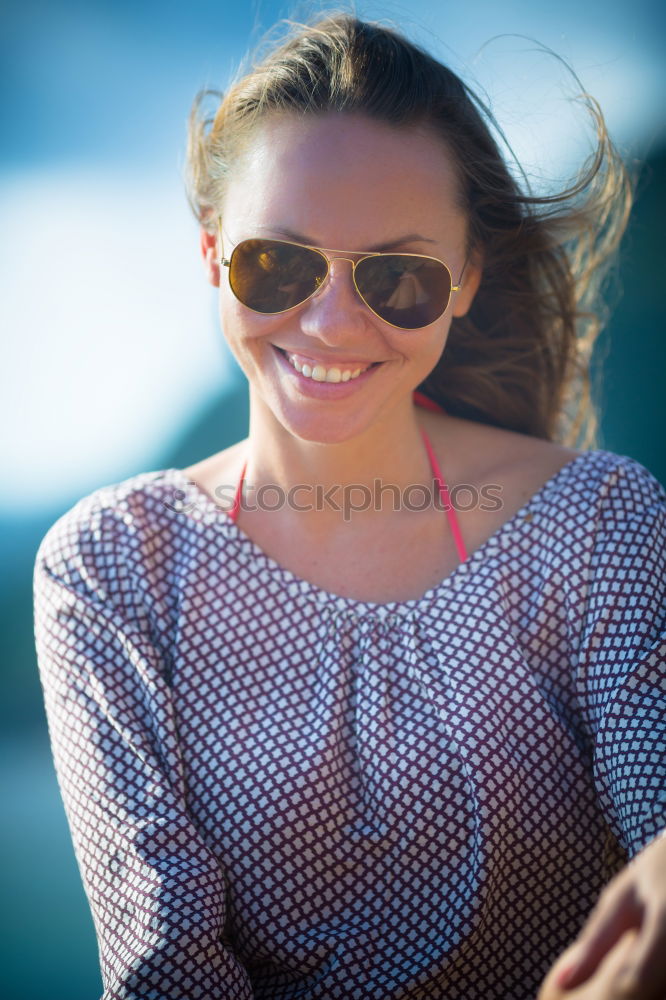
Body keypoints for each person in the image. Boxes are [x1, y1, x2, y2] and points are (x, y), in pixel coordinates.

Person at [32, 11, 666, 1000]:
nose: (331, 321)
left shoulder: (596, 524)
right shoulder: (112, 565)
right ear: (211, 256)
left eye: (397, 277)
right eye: (277, 264)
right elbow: (167, 972)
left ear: (463, 281)